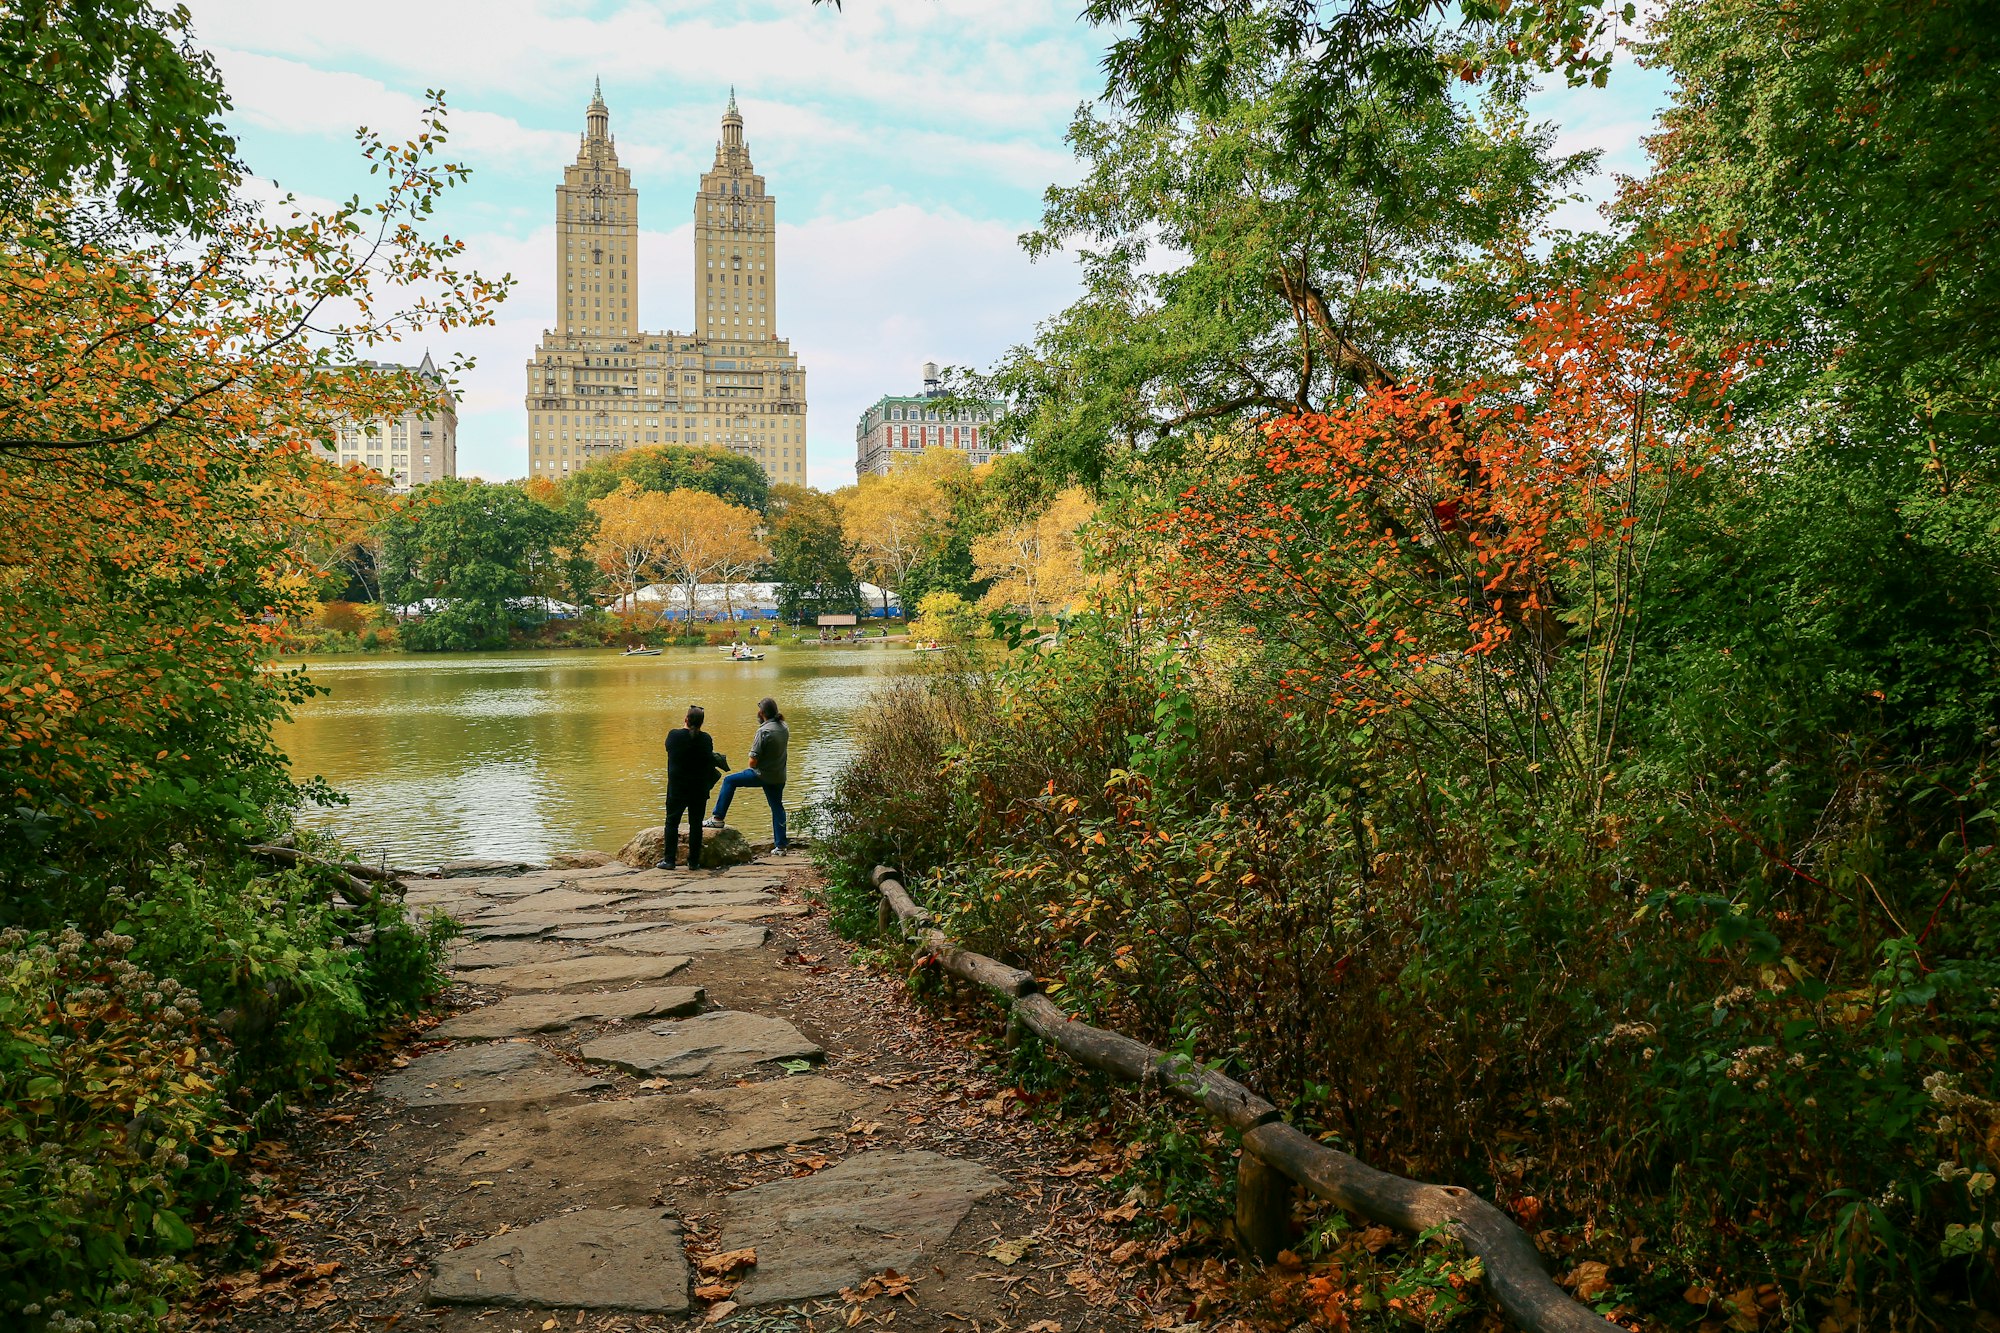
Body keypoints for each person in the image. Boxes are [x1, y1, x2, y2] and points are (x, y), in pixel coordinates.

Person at [705, 696, 789, 852]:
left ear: (762, 713)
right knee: (777, 808)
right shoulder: (784, 726)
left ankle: (717, 818)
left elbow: (752, 762)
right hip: (779, 776)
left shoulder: (763, 731)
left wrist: (755, 764)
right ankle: (781, 846)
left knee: (730, 781)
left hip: (762, 774)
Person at [660, 704, 725, 870]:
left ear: (686, 719)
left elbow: (669, 748)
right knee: (696, 824)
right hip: (699, 789)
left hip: (677, 789)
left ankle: (669, 860)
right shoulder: (706, 739)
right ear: (701, 723)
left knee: (672, 822)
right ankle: (694, 862)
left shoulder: (674, 736)